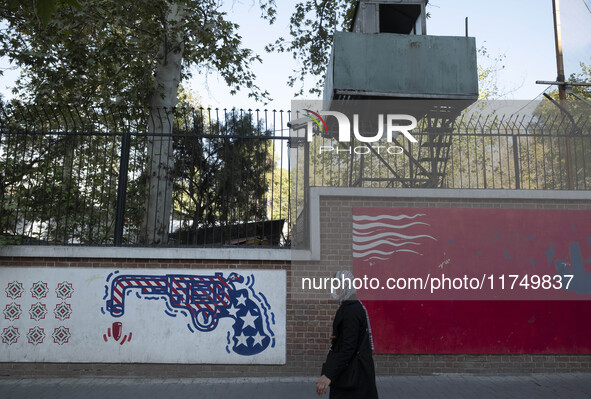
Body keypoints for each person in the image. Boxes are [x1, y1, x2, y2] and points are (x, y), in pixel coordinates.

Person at [315, 270, 379, 398]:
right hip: (355, 373)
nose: (334, 290)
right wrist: (338, 336)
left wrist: (329, 375)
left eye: (337, 286)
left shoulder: (350, 310)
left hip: (353, 377)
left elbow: (349, 348)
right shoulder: (351, 306)